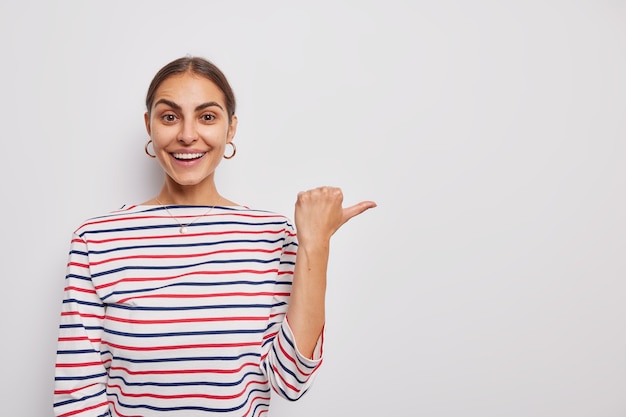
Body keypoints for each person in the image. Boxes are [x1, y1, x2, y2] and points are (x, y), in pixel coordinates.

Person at [53, 55, 376, 416]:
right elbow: (77, 396)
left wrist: (315, 244)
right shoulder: (96, 240)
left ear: (230, 128)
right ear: (149, 125)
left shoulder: (273, 237)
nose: (187, 134)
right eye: (169, 116)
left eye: (207, 116)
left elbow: (291, 381)